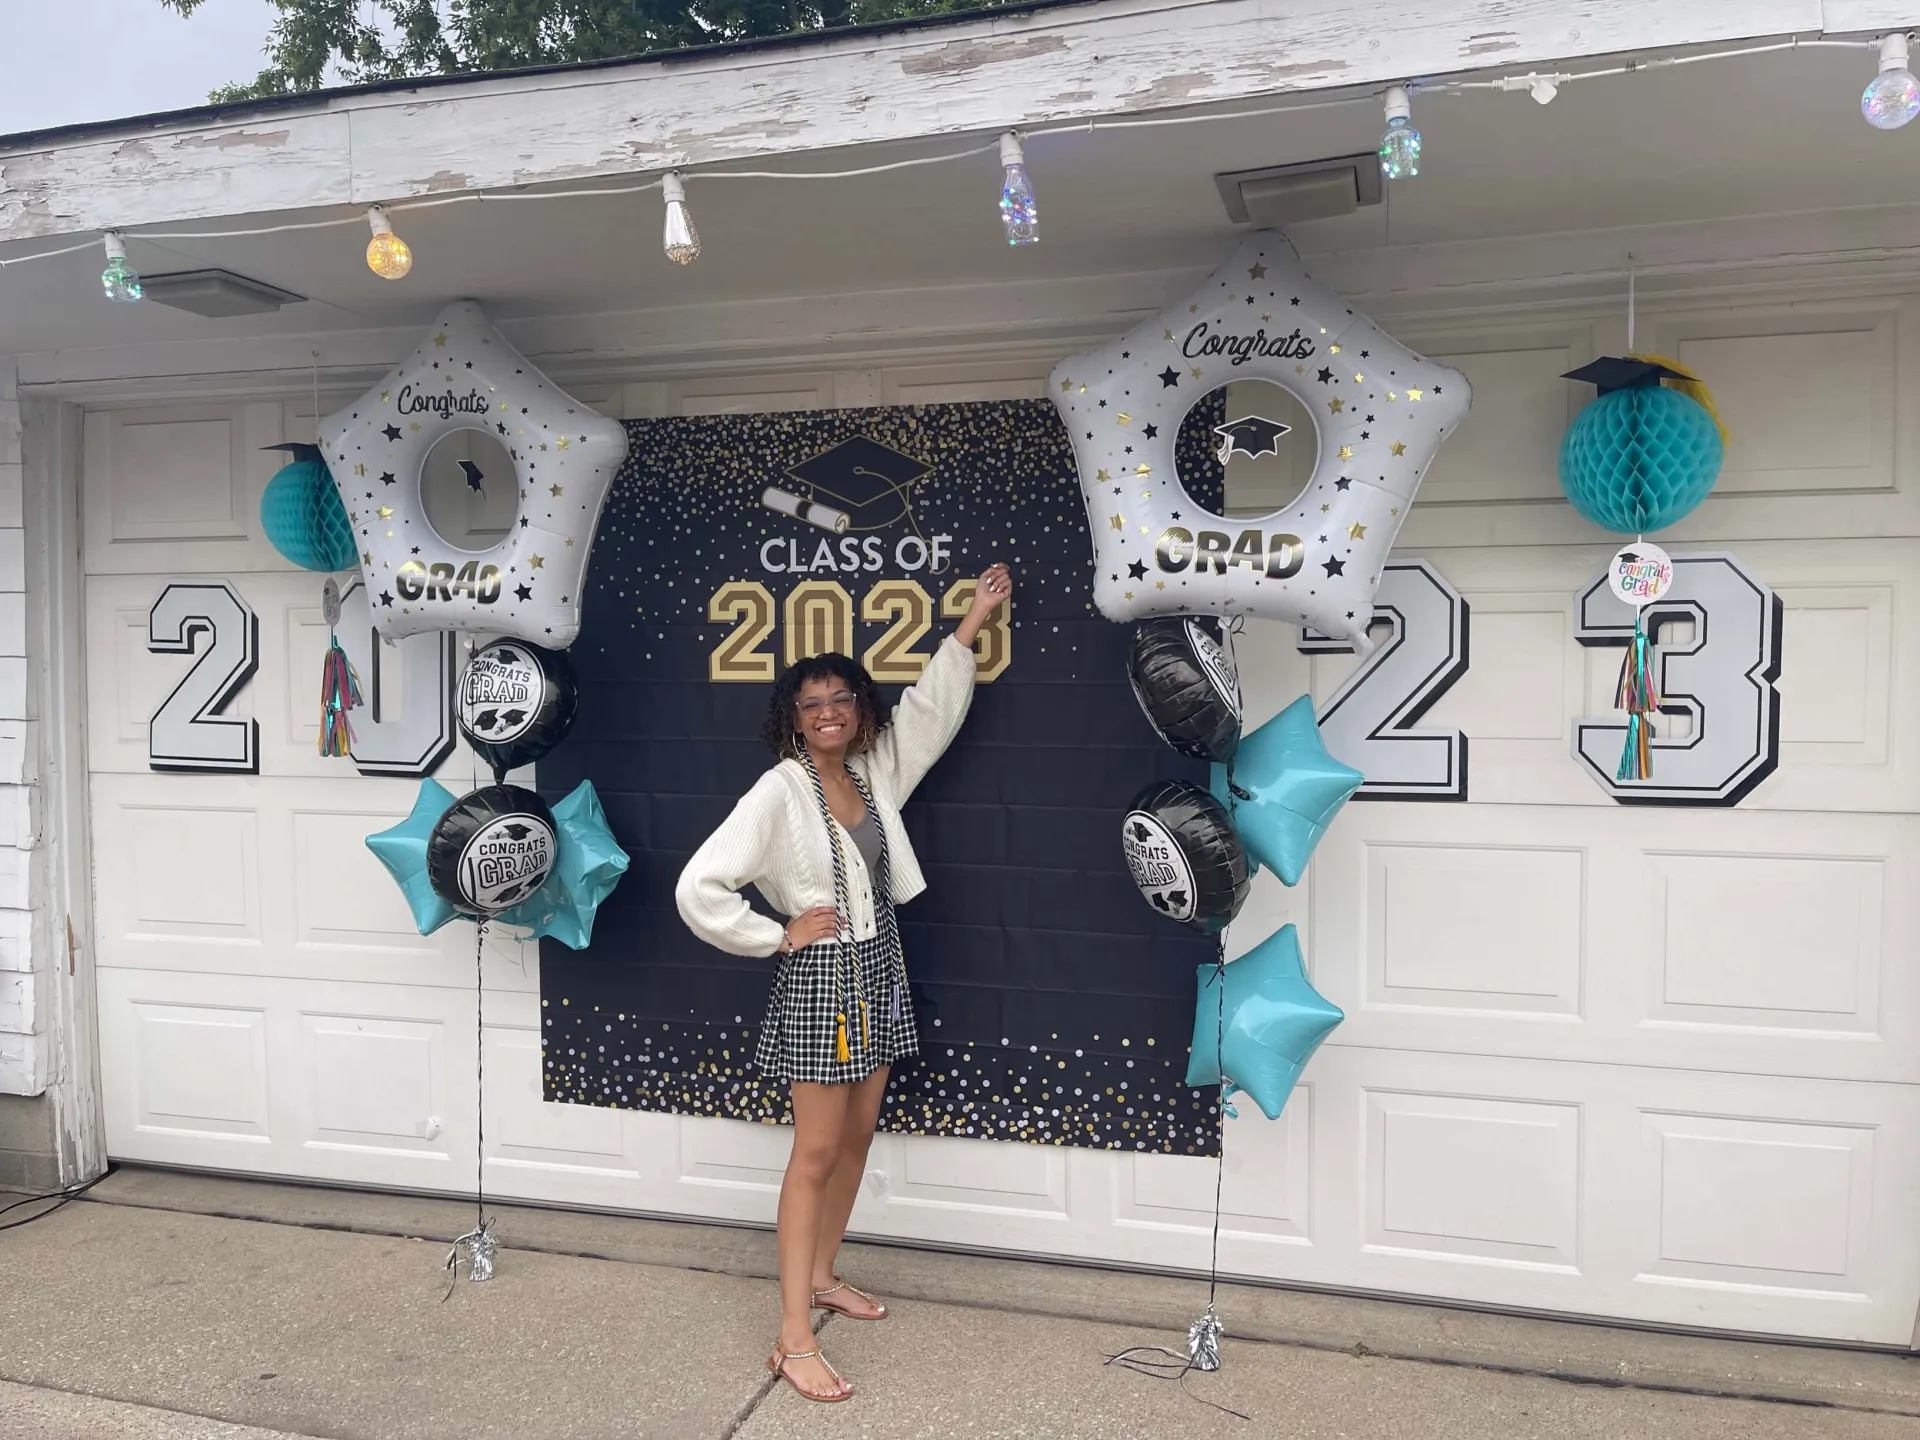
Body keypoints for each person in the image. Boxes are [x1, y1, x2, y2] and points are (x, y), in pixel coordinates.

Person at [675, 562, 1013, 1403]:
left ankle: (824, 1276)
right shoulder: (779, 790)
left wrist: (970, 623)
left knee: (858, 1139)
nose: (828, 714)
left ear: (860, 710)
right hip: (823, 975)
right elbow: (698, 887)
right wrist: (774, 933)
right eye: (811, 704)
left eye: (842, 701)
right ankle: (792, 1339)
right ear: (792, 719)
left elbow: (930, 717)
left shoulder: (872, 775)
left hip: (882, 963)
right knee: (816, 1151)